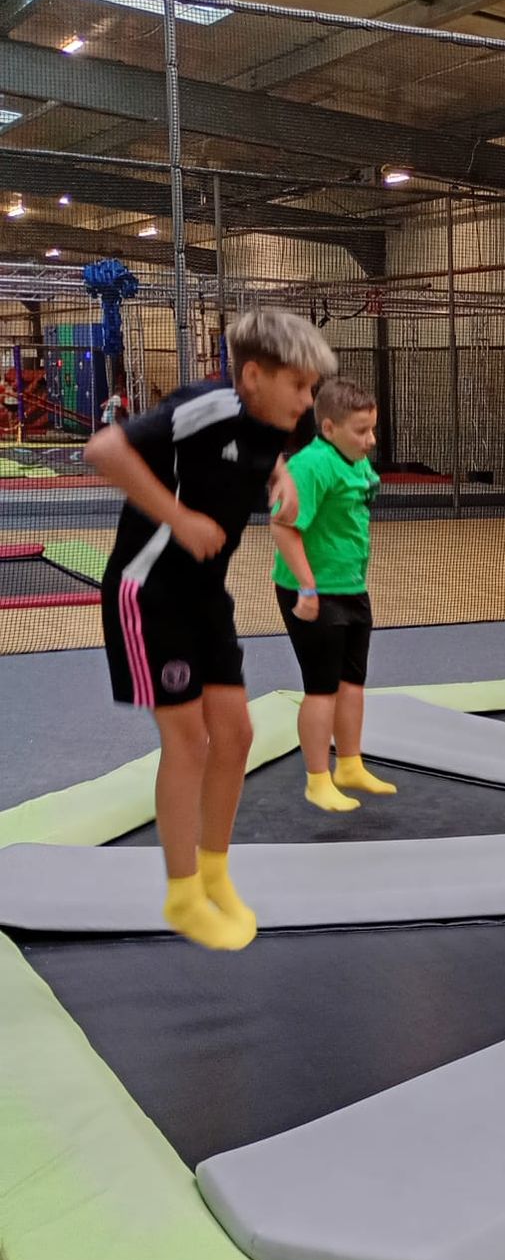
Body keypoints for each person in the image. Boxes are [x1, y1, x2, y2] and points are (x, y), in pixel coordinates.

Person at [86, 309, 336, 951]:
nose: (308, 401)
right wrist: (179, 518)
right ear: (252, 376)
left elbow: (265, 451)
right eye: (299, 386)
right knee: (189, 740)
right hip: (150, 592)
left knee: (237, 734)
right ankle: (182, 893)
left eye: (312, 388)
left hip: (204, 596)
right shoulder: (206, 406)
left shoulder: (282, 417)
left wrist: (280, 475)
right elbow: (103, 450)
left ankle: (216, 872)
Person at [269, 375, 397, 813]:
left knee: (352, 683)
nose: (371, 440)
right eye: (361, 431)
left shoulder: (355, 460)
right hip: (312, 591)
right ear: (328, 428)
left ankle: (350, 764)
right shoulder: (311, 466)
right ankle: (317, 779)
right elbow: (283, 527)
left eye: (372, 428)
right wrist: (307, 587)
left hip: (350, 586)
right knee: (322, 688)